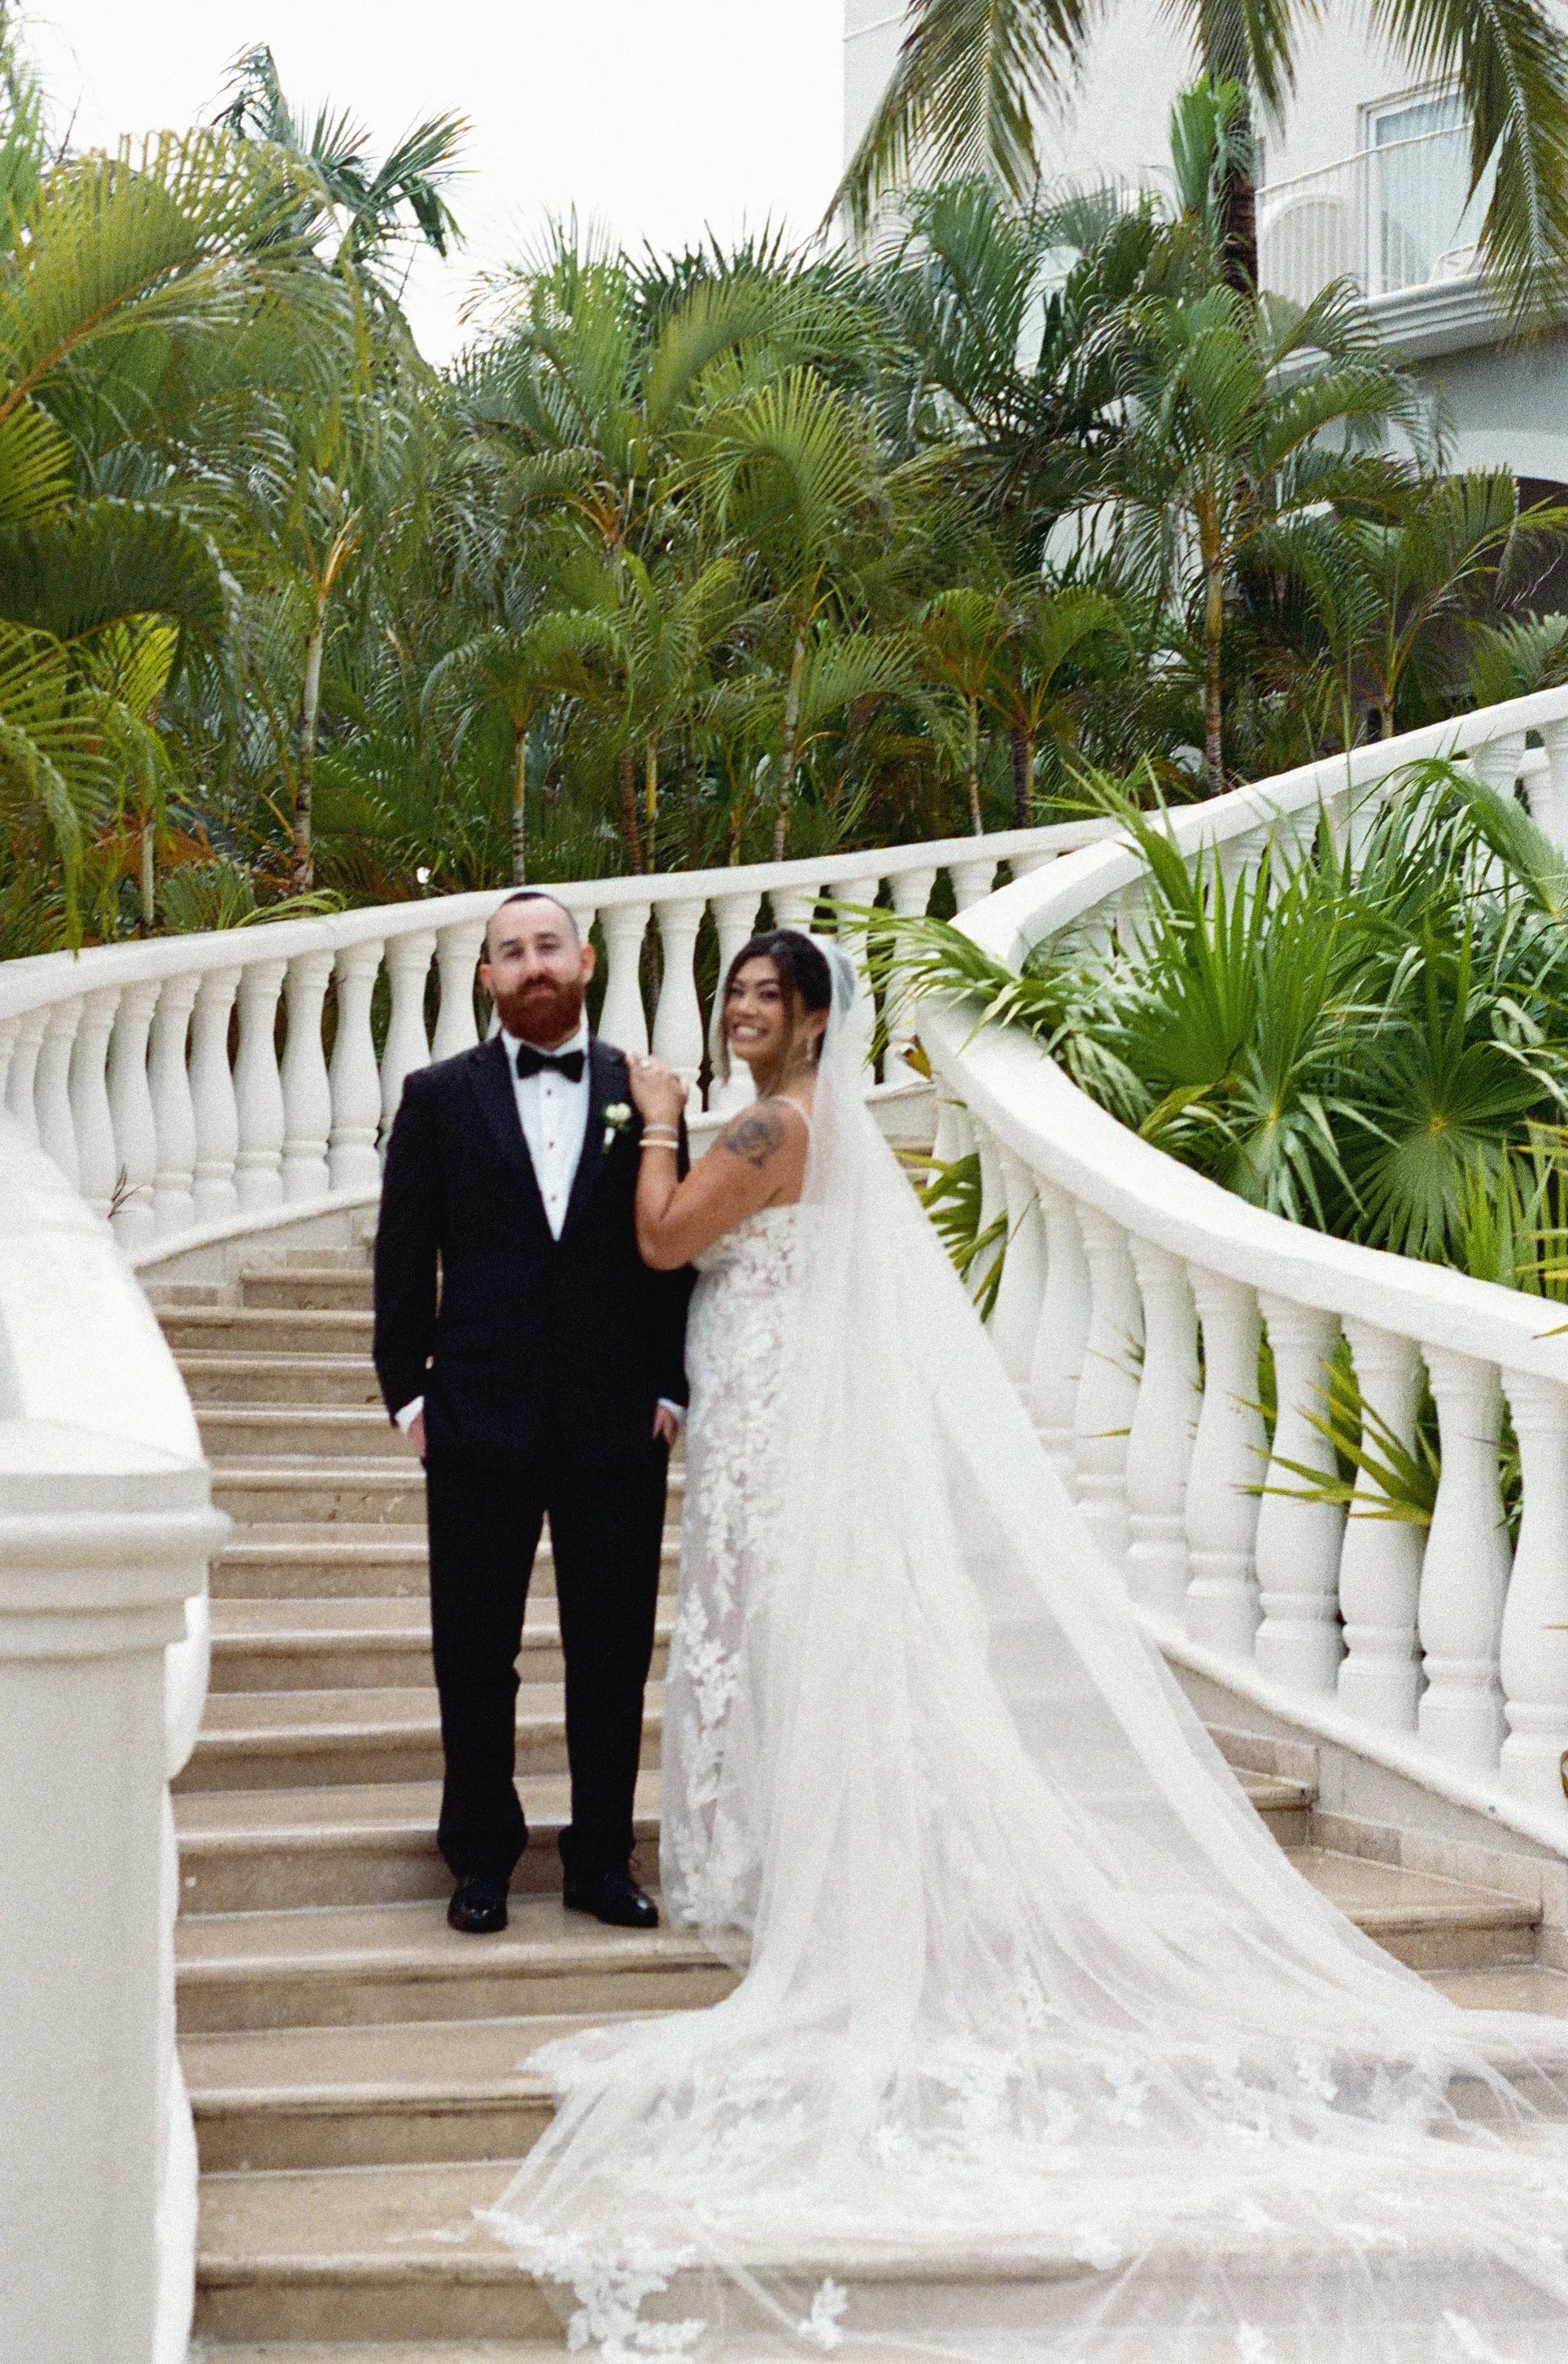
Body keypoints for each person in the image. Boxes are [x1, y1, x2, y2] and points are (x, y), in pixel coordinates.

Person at [488, 929, 1568, 2362]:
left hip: (768, 1419)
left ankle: (810, 1879)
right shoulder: (833, 1126)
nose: (743, 1010)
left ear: (813, 1020)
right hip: (765, 1407)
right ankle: (807, 1857)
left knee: (781, 1640)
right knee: (788, 1642)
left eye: (767, 996)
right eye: (734, 993)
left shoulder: (762, 1122)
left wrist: (665, 1120)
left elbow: (665, 1234)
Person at [373, 890, 692, 1937]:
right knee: (473, 1650)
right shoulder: (435, 1097)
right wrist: (410, 1392)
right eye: (510, 953)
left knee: (610, 1650)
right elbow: (403, 1255)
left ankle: (602, 1858)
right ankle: (481, 1857)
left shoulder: (644, 1094)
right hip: (475, 1417)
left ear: (587, 960)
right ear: (487, 980)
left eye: (547, 945)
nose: (531, 965)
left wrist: (670, 1386)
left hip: (614, 1423)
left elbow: (672, 1246)